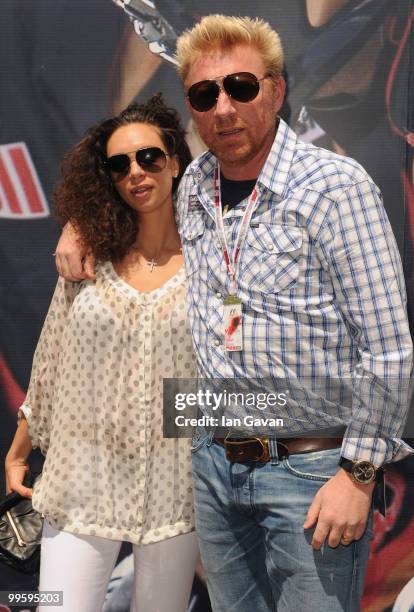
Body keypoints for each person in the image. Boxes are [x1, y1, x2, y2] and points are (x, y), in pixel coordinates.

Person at [53, 14, 413, 612]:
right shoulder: (193, 185)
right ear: (192, 108)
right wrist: (81, 224)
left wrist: (357, 475)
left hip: (312, 472)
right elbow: (132, 188)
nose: (223, 107)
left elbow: (390, 348)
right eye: (204, 94)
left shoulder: (335, 187)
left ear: (275, 89)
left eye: (241, 87)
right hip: (213, 466)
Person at [4, 94, 199, 612]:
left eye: (150, 157)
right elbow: (50, 361)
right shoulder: (88, 259)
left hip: (174, 484)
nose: (136, 171)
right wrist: (21, 449)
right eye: (120, 164)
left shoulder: (212, 261)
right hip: (81, 477)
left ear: (175, 161)